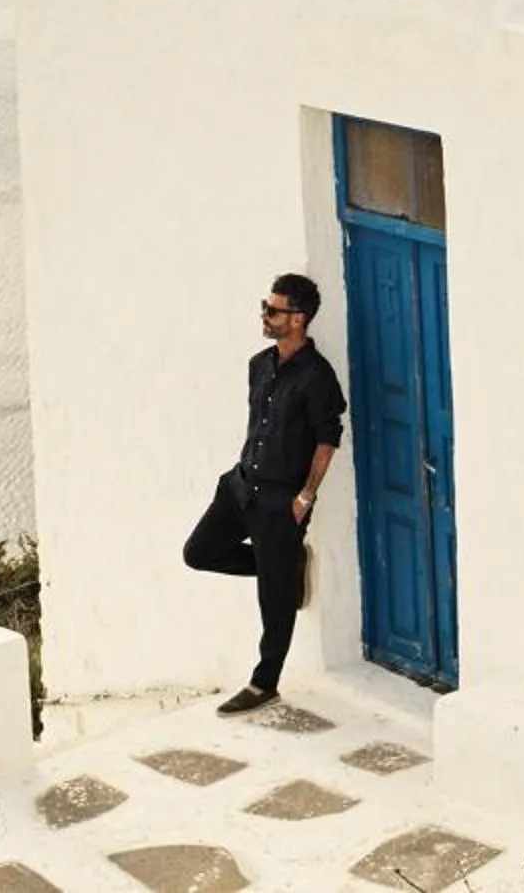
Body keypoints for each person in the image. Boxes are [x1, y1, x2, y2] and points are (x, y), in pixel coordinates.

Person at [184, 271, 346, 714]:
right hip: (239, 487)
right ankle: (283, 567)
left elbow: (328, 439)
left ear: (298, 319)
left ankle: (264, 683)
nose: (265, 315)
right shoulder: (259, 364)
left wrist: (305, 498)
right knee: (198, 552)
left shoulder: (317, 377)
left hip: (281, 502)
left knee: (274, 604)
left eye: (273, 310)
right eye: (266, 306)